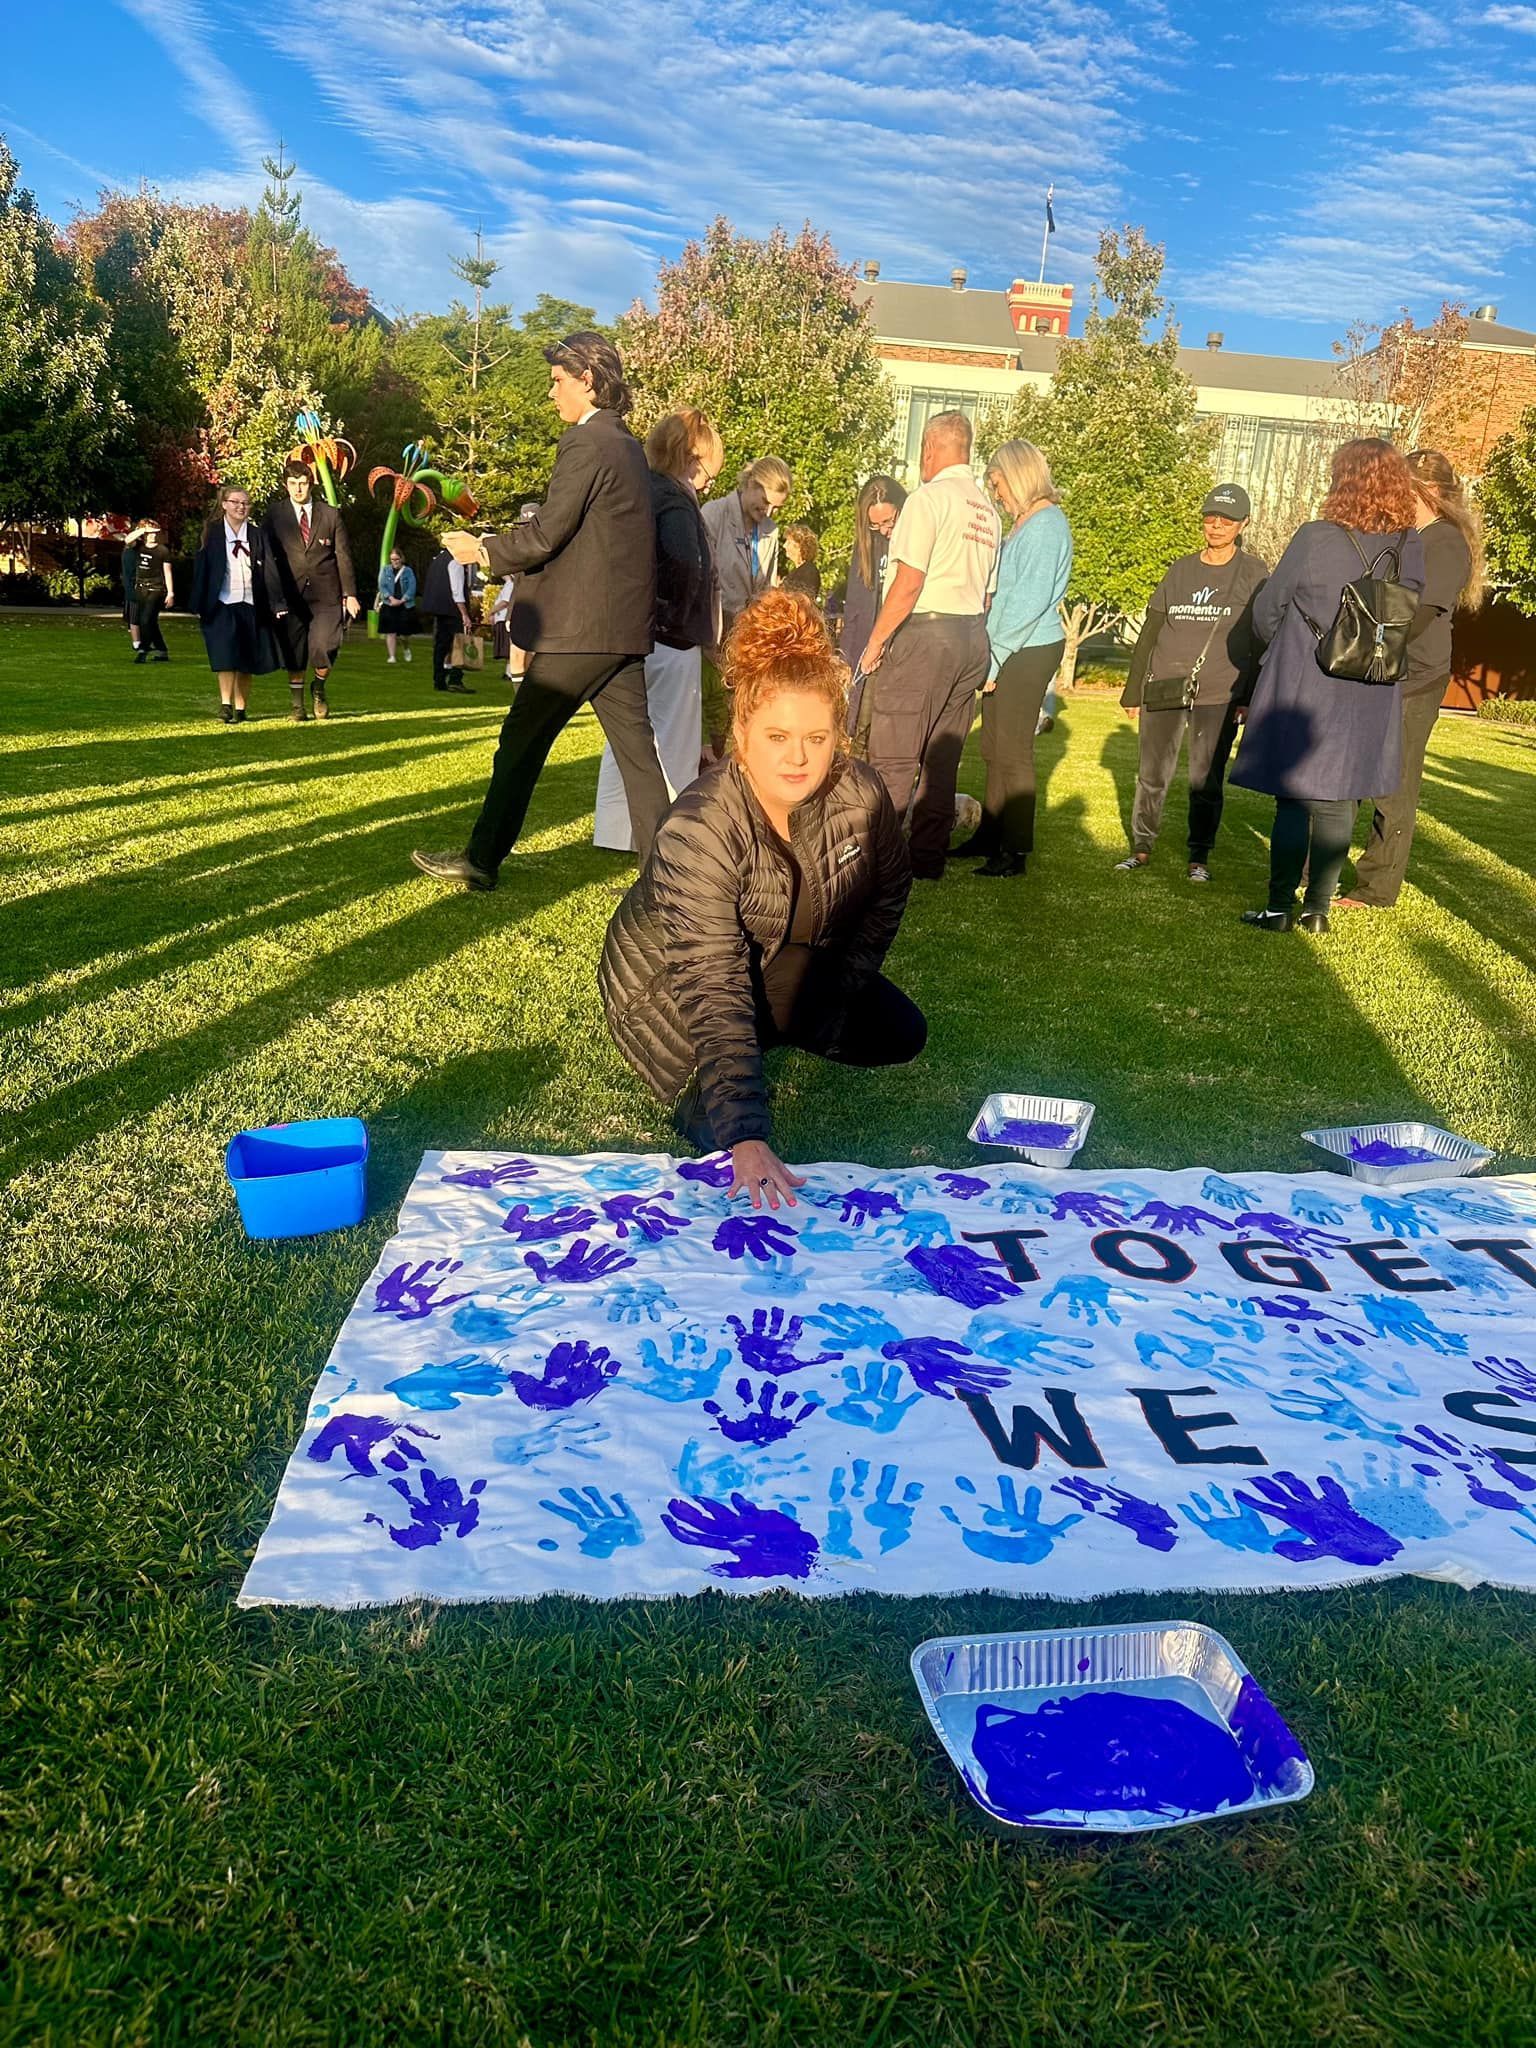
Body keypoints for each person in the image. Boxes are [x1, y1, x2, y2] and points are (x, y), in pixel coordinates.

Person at [599, 590, 923, 1208]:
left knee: (898, 1031)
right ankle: (706, 1081)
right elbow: (712, 978)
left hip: (774, 956)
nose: (798, 757)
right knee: (720, 1109)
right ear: (741, 735)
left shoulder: (863, 794)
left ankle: (772, 1032)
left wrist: (840, 991)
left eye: (817, 737)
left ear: (839, 737)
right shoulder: (699, 828)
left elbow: (889, 894)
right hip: (669, 986)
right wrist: (746, 1135)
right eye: (777, 735)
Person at [411, 331, 667, 891]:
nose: (551, 393)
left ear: (589, 381)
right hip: (620, 632)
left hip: (581, 633)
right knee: (640, 761)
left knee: (521, 743)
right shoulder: (627, 446)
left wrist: (481, 550)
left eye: (557, 381)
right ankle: (674, 879)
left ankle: (480, 859)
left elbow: (549, 533)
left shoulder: (588, 443)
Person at [1232, 439, 1426, 934]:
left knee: (1294, 798)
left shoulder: (1317, 536)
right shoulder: (1410, 543)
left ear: (1345, 479)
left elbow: (1268, 608)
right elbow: (1411, 616)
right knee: (1340, 798)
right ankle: (1318, 909)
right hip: (1370, 686)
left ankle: (1279, 908)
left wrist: (1283, 647)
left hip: (1307, 677)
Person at [1337, 449, 1483, 912]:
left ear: (1432, 492)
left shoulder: (1444, 541)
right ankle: (1316, 865)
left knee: (1393, 783)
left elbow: (1422, 613)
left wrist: (1378, 650)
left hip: (1415, 676)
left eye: (1406, 485)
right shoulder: (1404, 536)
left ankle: (1375, 889)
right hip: (1378, 671)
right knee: (1350, 773)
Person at [859, 410, 1000, 880]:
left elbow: (909, 582)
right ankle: (926, 860)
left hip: (926, 635)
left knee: (895, 755)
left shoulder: (927, 499)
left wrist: (875, 642)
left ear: (930, 449)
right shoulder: (987, 510)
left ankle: (876, 864)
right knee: (942, 758)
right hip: (971, 636)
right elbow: (987, 594)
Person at [1114, 482, 1270, 883]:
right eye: (1211, 517)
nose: (1216, 525)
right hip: (1165, 684)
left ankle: (1198, 857)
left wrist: (1248, 697)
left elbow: (1259, 640)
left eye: (1227, 519)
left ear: (1244, 523)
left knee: (1206, 778)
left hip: (1219, 691)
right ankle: (1141, 847)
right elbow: (1151, 630)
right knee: (1152, 774)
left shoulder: (1253, 573)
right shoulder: (1180, 568)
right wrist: (1133, 690)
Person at [593, 408, 723, 853]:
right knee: (673, 740)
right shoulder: (676, 500)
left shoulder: (641, 490)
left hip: (637, 632)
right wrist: (682, 613)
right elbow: (687, 563)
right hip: (672, 636)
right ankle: (670, 832)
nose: (708, 482)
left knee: (627, 739)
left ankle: (614, 832)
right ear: (691, 459)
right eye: (708, 471)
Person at [953, 438, 1071, 878]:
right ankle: (989, 835)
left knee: (1014, 750)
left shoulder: (1046, 525)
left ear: (1018, 475)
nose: (996, 493)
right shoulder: (1027, 522)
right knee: (992, 746)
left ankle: (1014, 852)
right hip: (1010, 645)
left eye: (998, 482)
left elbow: (1027, 601)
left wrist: (994, 658)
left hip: (1029, 647)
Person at [263, 461, 360, 721]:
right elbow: (267, 556)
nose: (298, 489)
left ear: (310, 484)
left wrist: (350, 594)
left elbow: (343, 556)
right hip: (289, 595)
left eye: (302, 483)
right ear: (286, 485)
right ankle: (297, 706)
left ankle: (318, 686)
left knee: (324, 646)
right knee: (294, 651)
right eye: (293, 484)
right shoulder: (275, 515)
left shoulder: (331, 515)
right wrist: (272, 596)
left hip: (326, 594)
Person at [189, 484, 281, 724]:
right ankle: (226, 705)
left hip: (252, 603)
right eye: (236, 502)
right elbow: (202, 570)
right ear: (224, 505)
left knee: (247, 660)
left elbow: (270, 568)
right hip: (222, 603)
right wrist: (199, 604)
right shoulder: (212, 533)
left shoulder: (257, 534)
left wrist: (277, 602)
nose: (241, 507)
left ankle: (241, 709)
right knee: (225, 656)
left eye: (245, 503)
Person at [701, 457, 791, 644]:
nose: (769, 512)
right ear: (751, 484)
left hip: (749, 631)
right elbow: (700, 577)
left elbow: (768, 587)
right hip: (713, 627)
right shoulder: (714, 513)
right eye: (766, 501)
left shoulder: (771, 530)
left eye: (777, 508)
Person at [418, 542, 475, 695]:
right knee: (459, 645)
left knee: (440, 646)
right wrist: (464, 614)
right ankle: (455, 680)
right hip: (452, 609)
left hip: (439, 609)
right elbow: (457, 591)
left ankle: (439, 680)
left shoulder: (438, 559)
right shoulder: (455, 562)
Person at [130, 519, 175, 665]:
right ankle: (162, 651)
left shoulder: (162, 550)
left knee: (145, 619)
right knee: (151, 622)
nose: (153, 536)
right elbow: (127, 540)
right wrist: (143, 530)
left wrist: (170, 592)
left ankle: (143, 650)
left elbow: (167, 572)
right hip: (141, 588)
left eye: (155, 533)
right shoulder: (138, 547)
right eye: (150, 533)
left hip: (156, 589)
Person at [377, 549, 417, 663]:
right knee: (391, 631)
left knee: (404, 634)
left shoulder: (408, 571)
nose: (395, 562)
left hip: (405, 605)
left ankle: (406, 648)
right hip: (389, 604)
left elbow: (412, 587)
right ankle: (392, 656)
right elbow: (382, 586)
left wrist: (402, 600)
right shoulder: (385, 570)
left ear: (401, 559)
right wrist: (390, 598)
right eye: (392, 559)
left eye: (397, 559)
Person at [780, 526, 822, 603]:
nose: (784, 545)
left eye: (789, 542)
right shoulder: (799, 570)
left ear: (800, 547)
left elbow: (803, 603)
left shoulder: (809, 572)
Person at [121, 526, 145, 657]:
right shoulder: (130, 548)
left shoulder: (142, 549)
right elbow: (128, 539)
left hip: (144, 587)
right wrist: (143, 529)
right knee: (134, 617)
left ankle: (143, 642)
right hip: (133, 589)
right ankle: (137, 642)